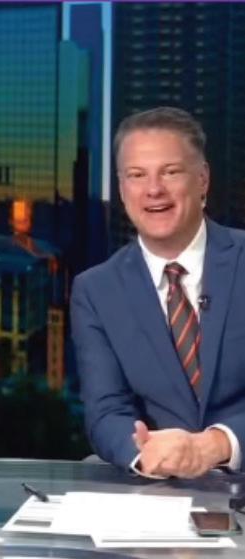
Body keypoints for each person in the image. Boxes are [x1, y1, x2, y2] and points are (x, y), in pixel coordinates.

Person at [71, 107, 245, 478]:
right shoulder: (96, 291)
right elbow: (106, 412)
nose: (153, 190)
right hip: (159, 491)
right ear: (122, 189)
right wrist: (144, 454)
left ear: (202, 179)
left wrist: (217, 444)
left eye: (170, 172)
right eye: (137, 175)